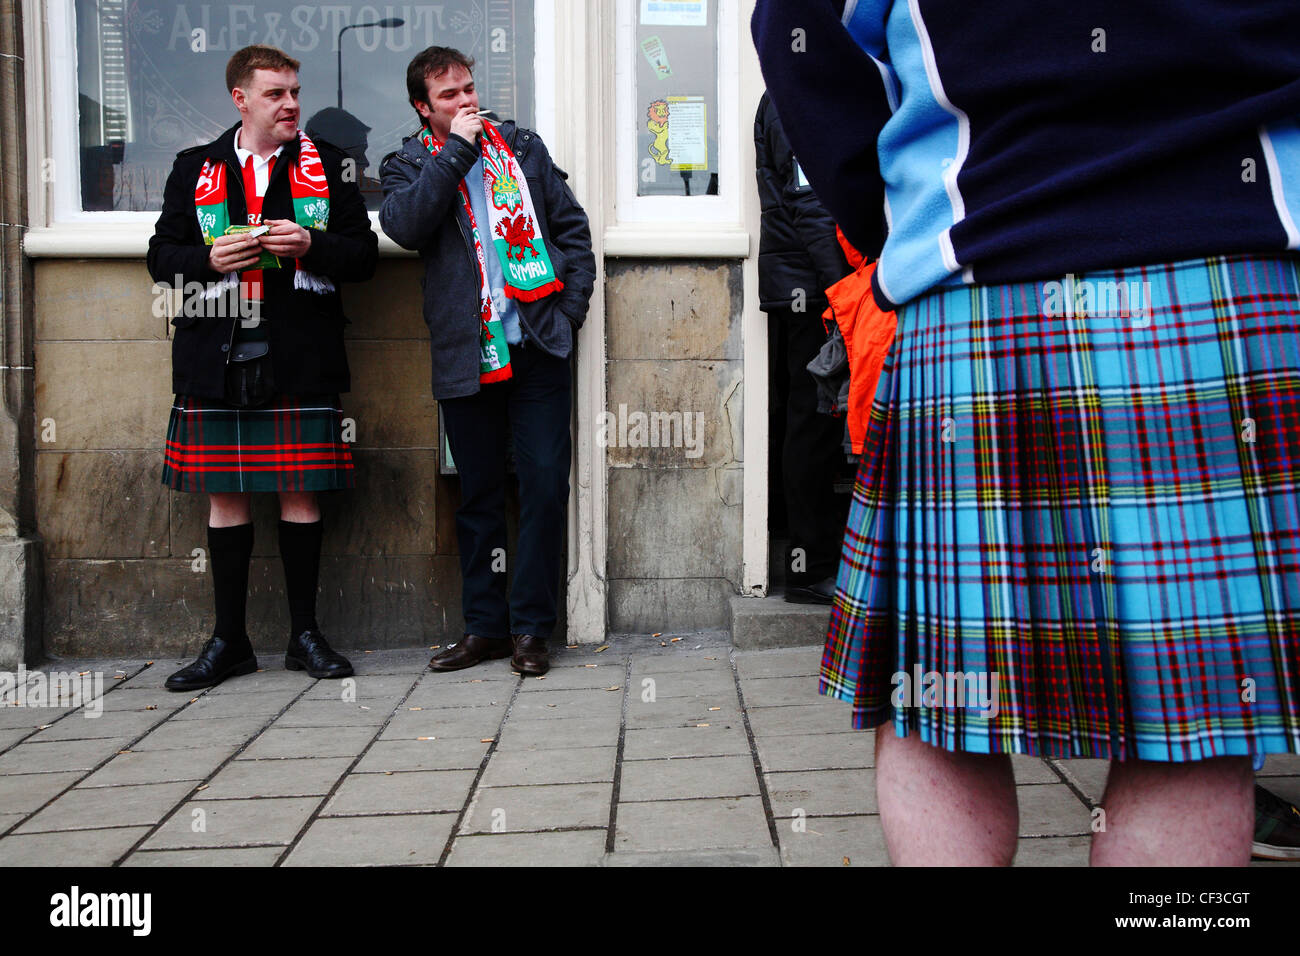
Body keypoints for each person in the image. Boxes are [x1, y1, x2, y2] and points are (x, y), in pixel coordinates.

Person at [754, 0, 1300, 865]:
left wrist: (915, 217)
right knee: (1196, 719)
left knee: (943, 710)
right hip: (1224, 268)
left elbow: (800, 33)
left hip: (975, 274)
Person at [148, 45, 377, 691]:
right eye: (276, 93)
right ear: (240, 98)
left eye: (295, 92)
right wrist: (208, 260)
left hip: (298, 351)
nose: (291, 104)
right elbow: (161, 255)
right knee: (226, 499)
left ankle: (306, 637)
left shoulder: (329, 167)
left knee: (300, 494)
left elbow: (363, 257)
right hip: (214, 352)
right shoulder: (196, 168)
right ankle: (230, 642)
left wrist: (313, 244)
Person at [379, 47, 595, 677]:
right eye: (448, 96)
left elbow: (572, 229)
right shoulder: (408, 164)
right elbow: (405, 226)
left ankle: (531, 629)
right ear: (424, 107)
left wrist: (569, 313)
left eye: (469, 89)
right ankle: (485, 628)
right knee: (476, 495)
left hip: (536, 346)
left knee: (544, 485)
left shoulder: (523, 147)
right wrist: (456, 153)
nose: (466, 102)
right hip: (466, 352)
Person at [754, 91, 853, 605]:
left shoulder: (805, 91)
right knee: (812, 422)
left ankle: (820, 560)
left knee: (817, 421)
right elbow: (810, 204)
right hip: (811, 288)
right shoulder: (794, 99)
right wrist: (845, 289)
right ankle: (809, 568)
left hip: (814, 281)